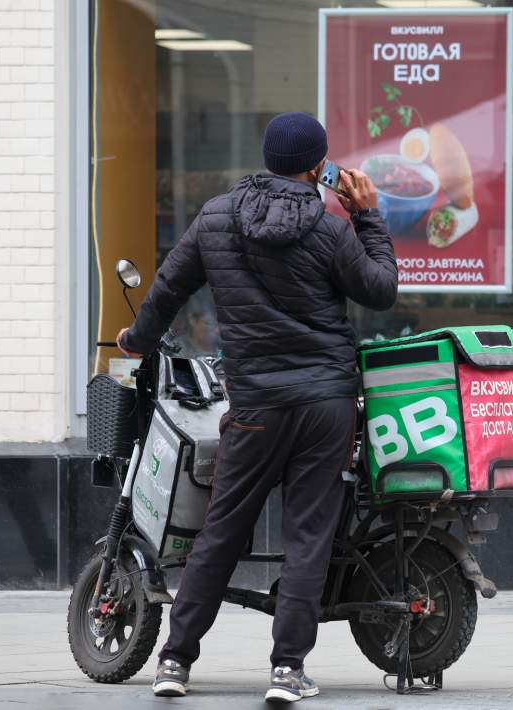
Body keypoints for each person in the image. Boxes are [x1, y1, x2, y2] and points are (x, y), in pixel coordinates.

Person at [116, 112, 397, 702]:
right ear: (321, 167)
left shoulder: (218, 216)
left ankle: (174, 662)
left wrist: (137, 341)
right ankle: (287, 671)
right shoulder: (330, 223)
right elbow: (379, 289)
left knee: (221, 530)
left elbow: (168, 285)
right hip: (325, 401)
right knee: (309, 535)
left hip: (254, 403)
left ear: (267, 158)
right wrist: (367, 215)